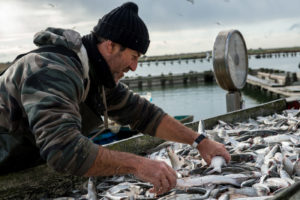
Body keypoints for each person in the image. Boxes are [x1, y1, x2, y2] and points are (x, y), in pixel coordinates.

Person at [0, 2, 230, 195]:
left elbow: (144, 114)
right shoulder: (52, 70)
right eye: (133, 56)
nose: (134, 67)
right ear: (110, 46)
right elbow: (64, 151)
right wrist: (138, 165)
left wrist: (200, 141)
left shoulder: (95, 75)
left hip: (20, 167)